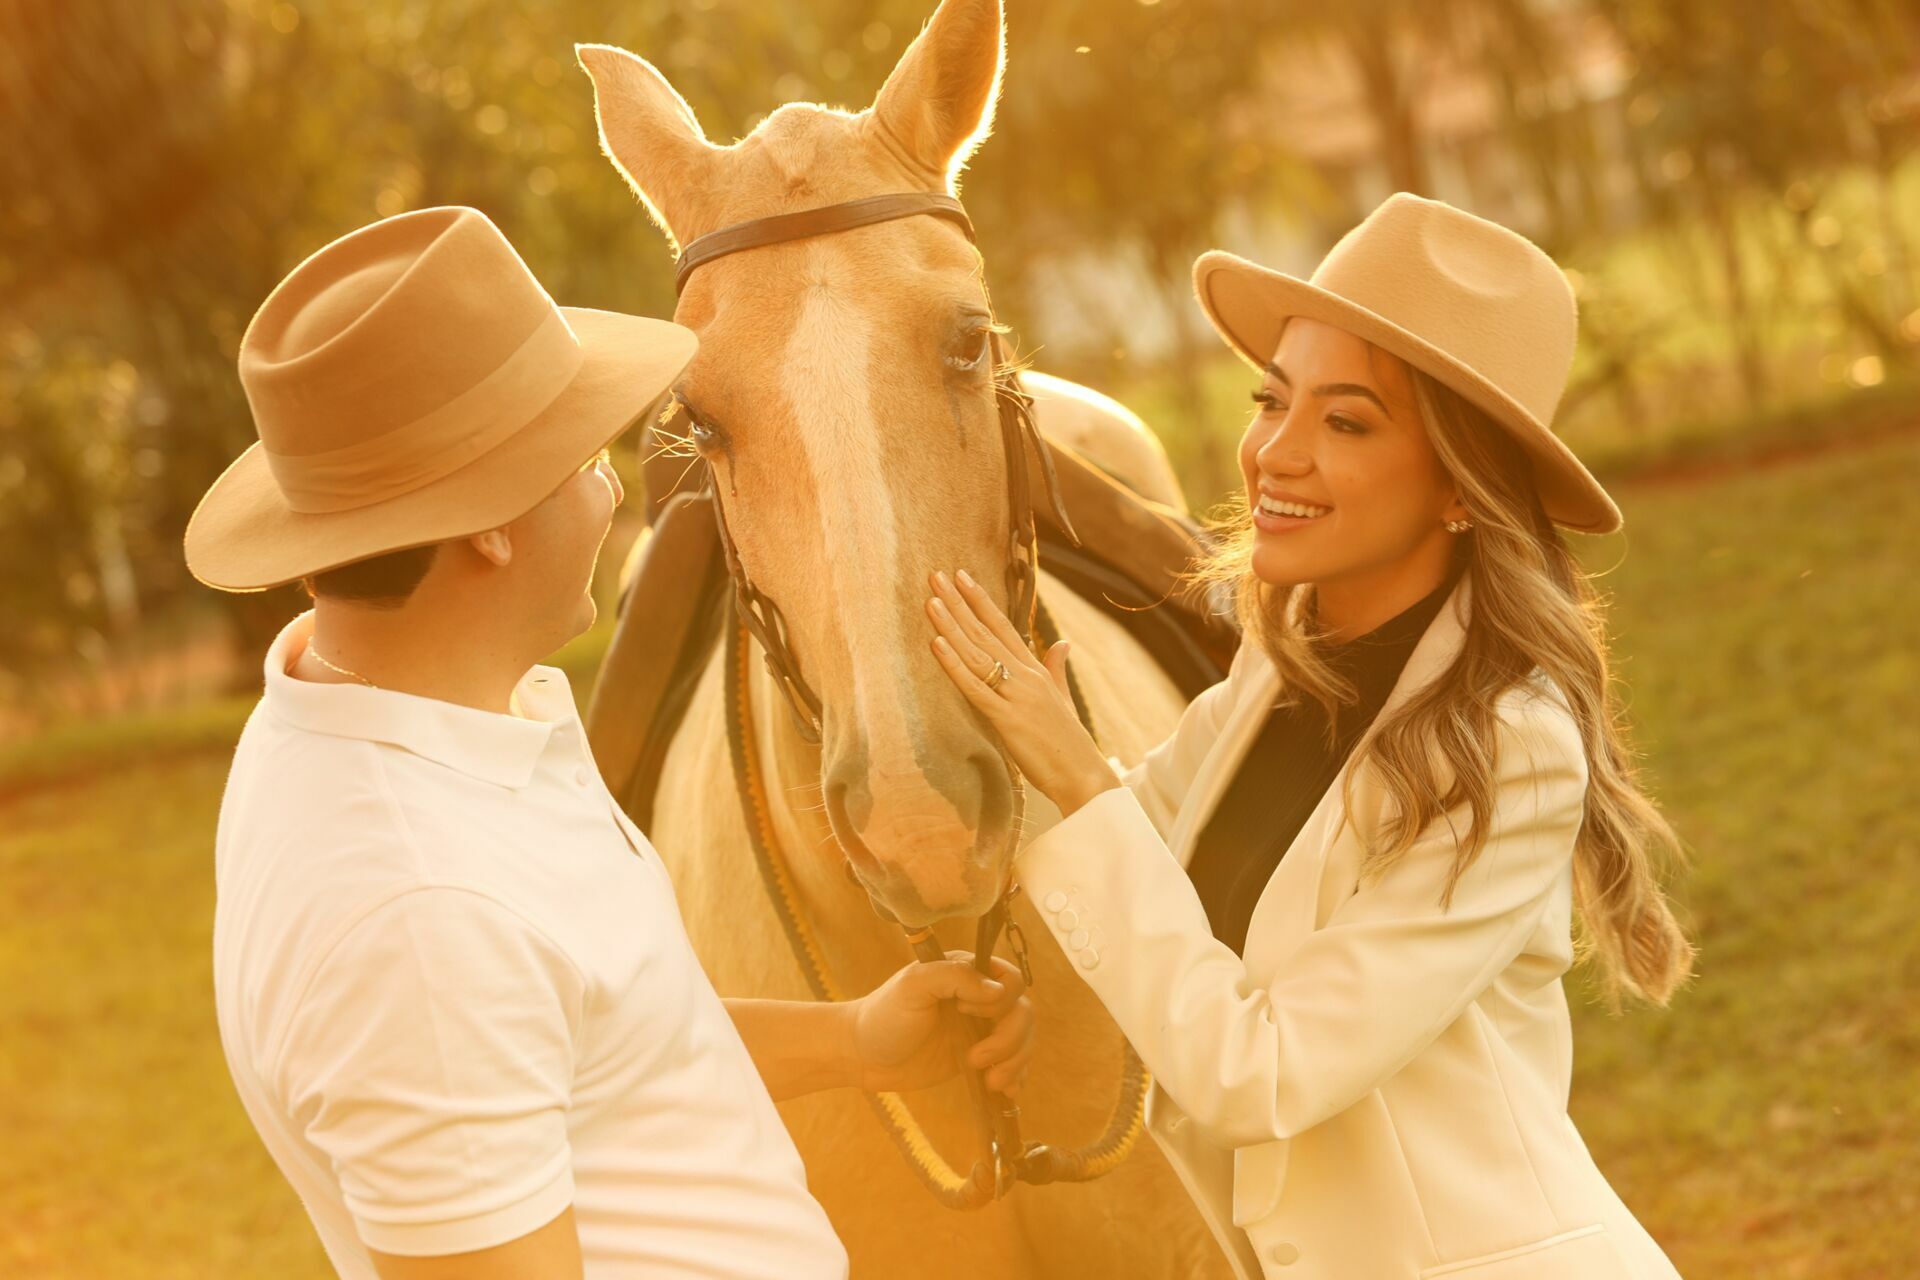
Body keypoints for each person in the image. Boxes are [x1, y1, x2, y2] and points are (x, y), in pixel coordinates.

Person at [186, 206, 1033, 1280]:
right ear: (490, 520)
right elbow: (466, 999)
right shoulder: (421, 917)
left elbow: (576, 1036)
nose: (612, 487)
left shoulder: (405, 714)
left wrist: (853, 1040)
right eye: (586, 451)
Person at [922, 192, 1694, 1279]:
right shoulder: (1275, 671)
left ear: (1460, 490)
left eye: (1345, 421)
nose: (1273, 453)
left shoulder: (1512, 746)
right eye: (1270, 400)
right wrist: (1014, 1002)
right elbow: (1119, 879)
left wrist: (1071, 765)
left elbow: (1260, 1070)